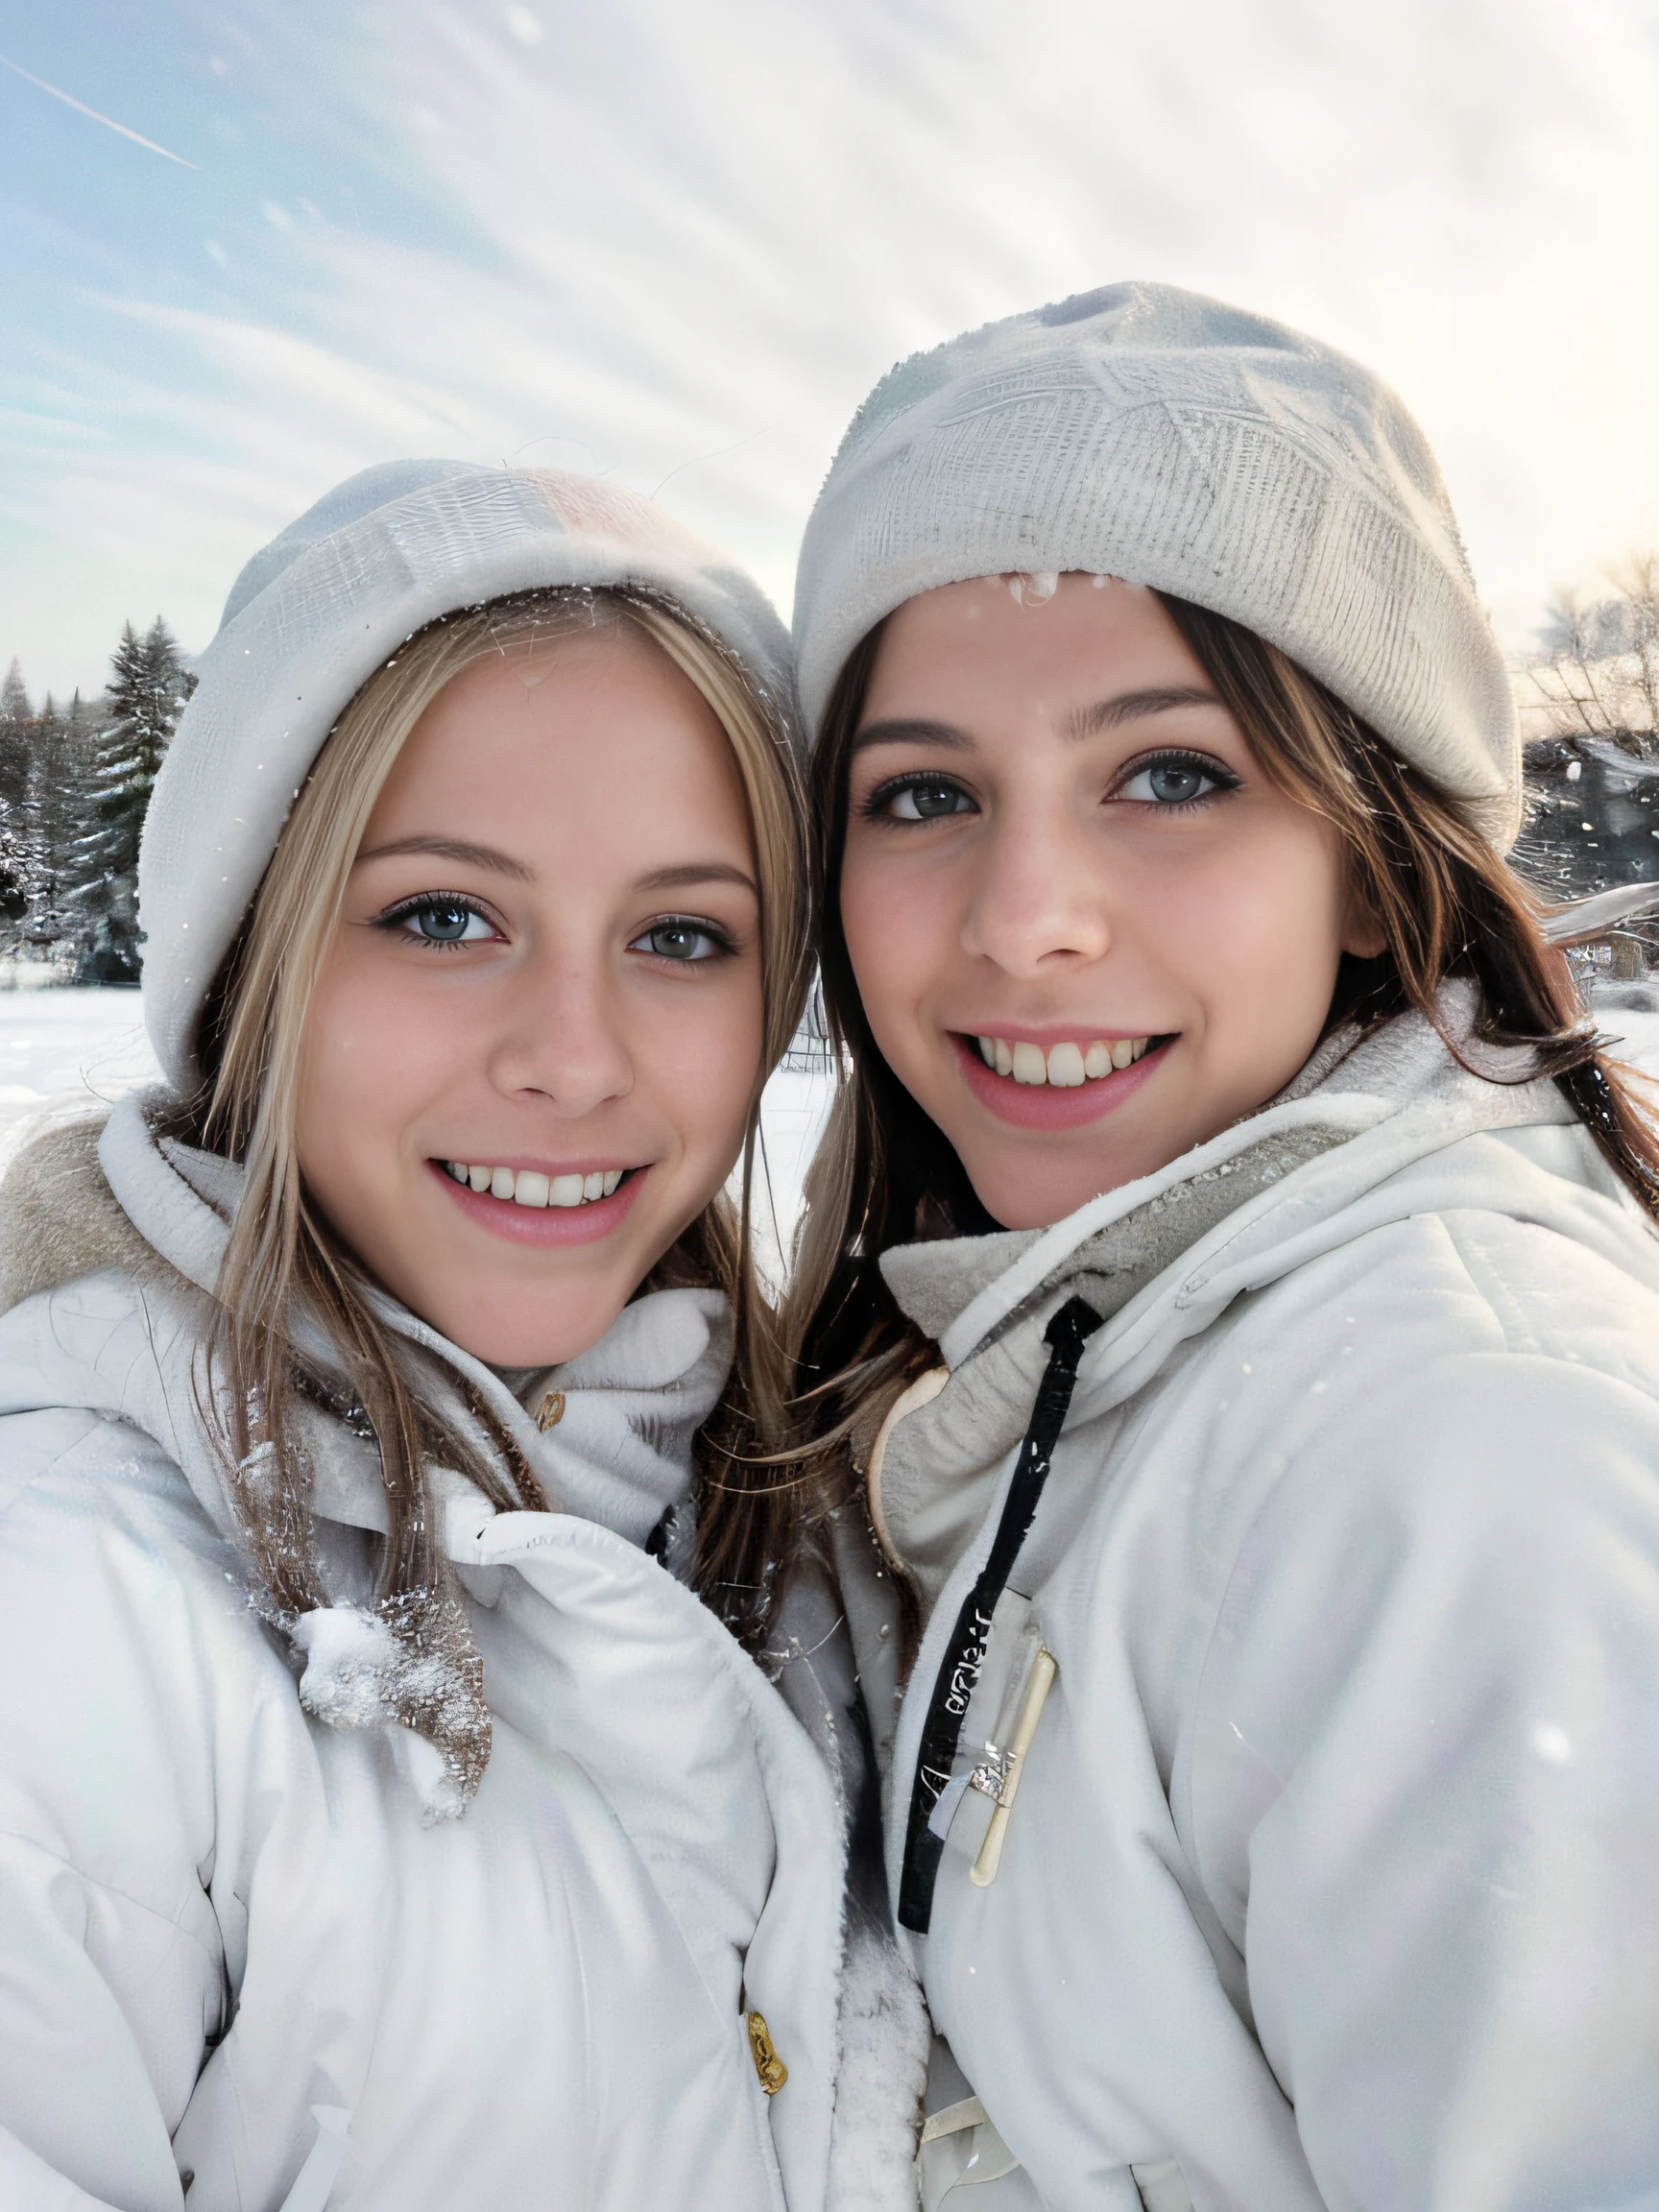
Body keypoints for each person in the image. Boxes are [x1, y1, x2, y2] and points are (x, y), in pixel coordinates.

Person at [784, 284, 1659, 2210]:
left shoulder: (1464, 1460)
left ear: (1369, 858)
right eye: (922, 794)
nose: (1026, 922)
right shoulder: (1055, 1354)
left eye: (1168, 775)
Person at [0, 461, 922, 2209]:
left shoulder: (824, 1511)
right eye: (443, 915)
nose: (574, 1056)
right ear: (252, 969)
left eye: (681, 935)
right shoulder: (65, 1600)